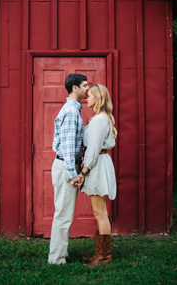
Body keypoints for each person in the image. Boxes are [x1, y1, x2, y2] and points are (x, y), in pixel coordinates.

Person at [48, 73, 88, 265]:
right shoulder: (72, 112)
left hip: (66, 165)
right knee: (63, 215)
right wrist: (74, 175)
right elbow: (67, 146)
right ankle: (56, 258)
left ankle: (60, 253)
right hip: (66, 166)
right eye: (85, 85)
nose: (88, 89)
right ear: (75, 88)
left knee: (64, 213)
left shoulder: (73, 110)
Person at [79, 83, 117, 267]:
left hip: (98, 165)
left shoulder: (99, 120)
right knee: (99, 212)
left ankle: (104, 257)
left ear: (99, 98)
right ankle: (100, 254)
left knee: (100, 213)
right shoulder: (100, 118)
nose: (87, 97)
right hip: (100, 163)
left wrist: (84, 170)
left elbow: (93, 149)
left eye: (90, 95)